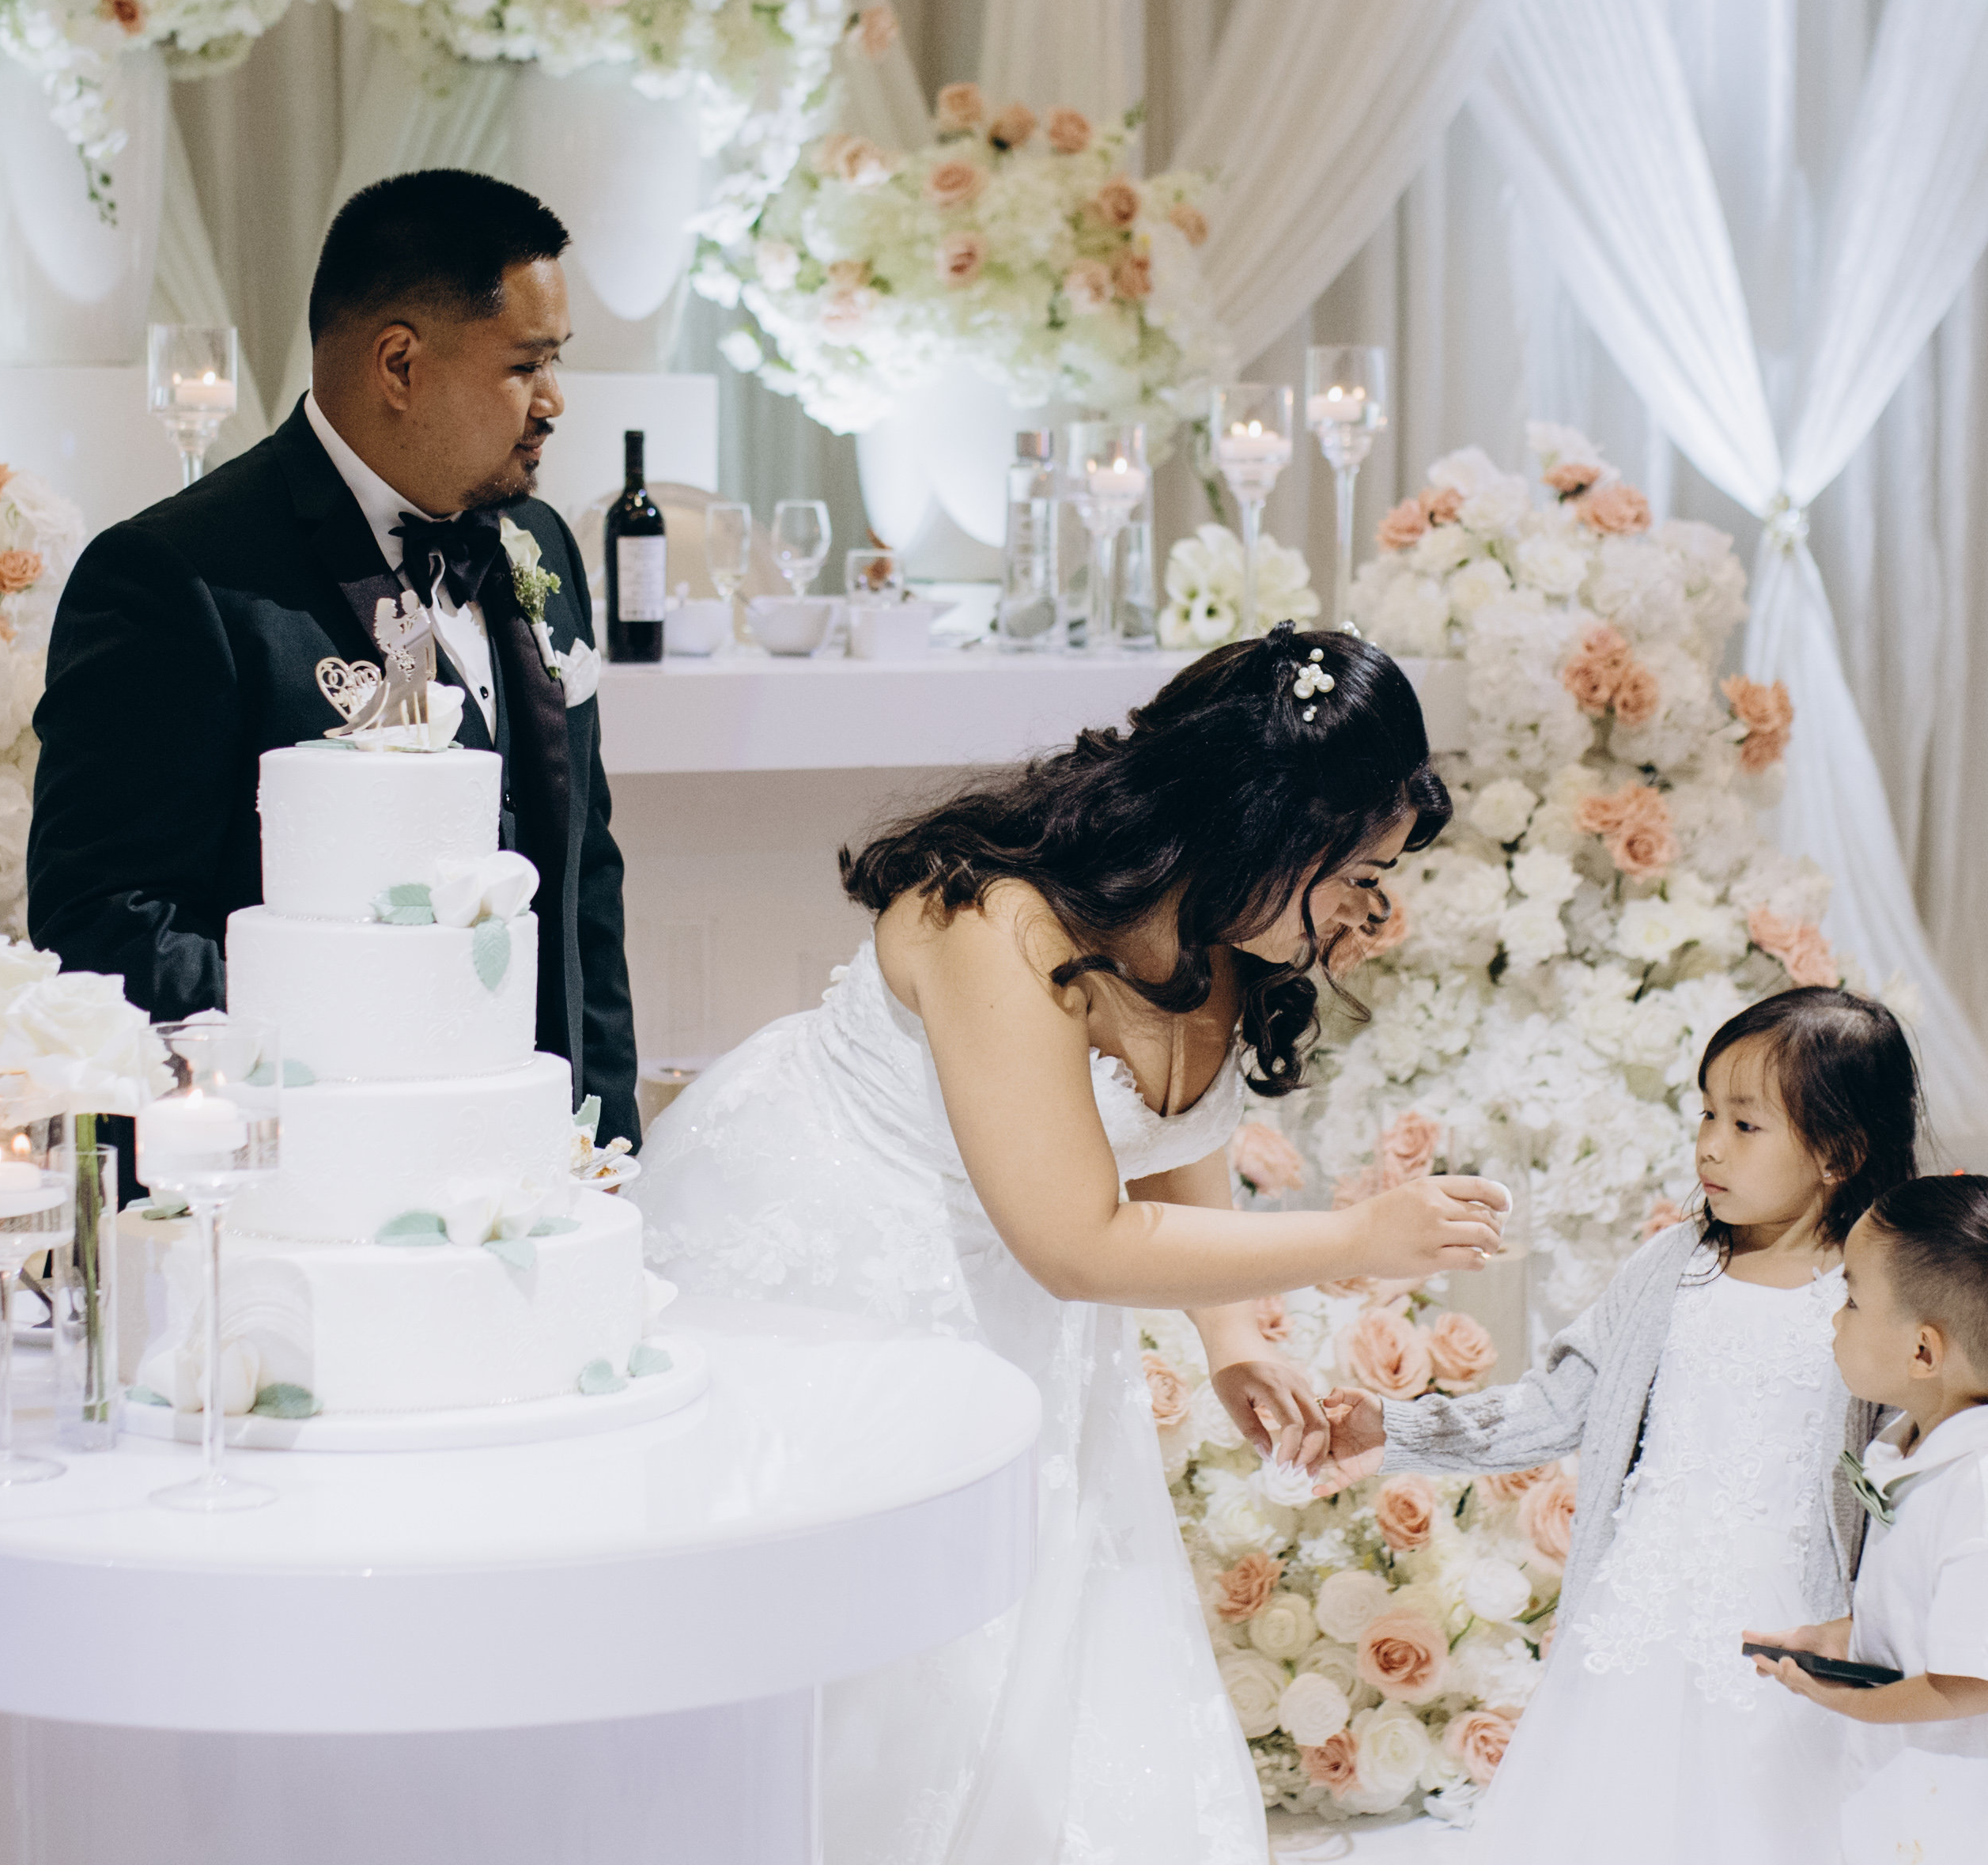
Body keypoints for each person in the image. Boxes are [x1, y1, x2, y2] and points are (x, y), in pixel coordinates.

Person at [632, 626, 1511, 1865]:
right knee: (882, 1663)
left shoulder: (1225, 923)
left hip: (1022, 1279)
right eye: (1358, 871)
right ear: (1266, 828)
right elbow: (1076, 1242)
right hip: (834, 1264)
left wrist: (1231, 1338)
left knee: (1052, 1637)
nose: (1372, 909)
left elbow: (1169, 1122)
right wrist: (1359, 1236)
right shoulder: (1000, 925)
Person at [27, 169, 638, 1143]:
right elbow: (104, 922)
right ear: (399, 365)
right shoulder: (176, 577)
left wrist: (605, 1141)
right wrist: (361, 1049)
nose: (554, 400)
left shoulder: (544, 547)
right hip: (306, 1158)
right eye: (527, 365)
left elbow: (583, 883)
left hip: (533, 1158)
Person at [1319, 988, 1921, 1864]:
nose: (1710, 1144)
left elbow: (1909, 1466)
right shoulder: (1673, 1269)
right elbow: (1557, 1403)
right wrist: (1401, 1430)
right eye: (1706, 1113)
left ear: (1840, 1152)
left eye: (1746, 1125)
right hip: (1639, 1609)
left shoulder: (1870, 1296)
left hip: (1787, 1624)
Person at [1748, 1172, 1988, 1864]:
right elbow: (1927, 1611)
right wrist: (1842, 1638)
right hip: (1909, 1806)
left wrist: (1854, 1706)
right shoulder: (1918, 1446)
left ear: (1923, 1352)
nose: (1834, 1320)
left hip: (1968, 1825)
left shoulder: (1984, 1493)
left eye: (1852, 1300)